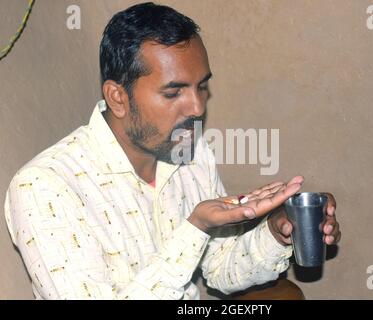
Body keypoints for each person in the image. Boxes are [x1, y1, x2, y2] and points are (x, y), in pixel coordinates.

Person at [4, 2, 341, 300]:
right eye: (173, 92)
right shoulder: (44, 187)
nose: (196, 107)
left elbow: (221, 269)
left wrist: (276, 231)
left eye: (202, 86)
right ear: (117, 98)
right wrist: (195, 228)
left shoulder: (190, 153)